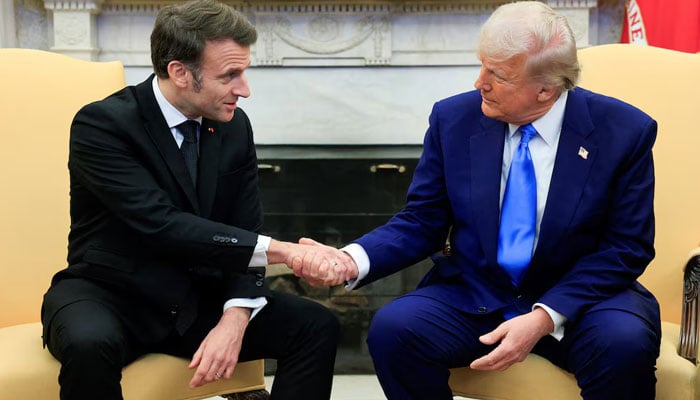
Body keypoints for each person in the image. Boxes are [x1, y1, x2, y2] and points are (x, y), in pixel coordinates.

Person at [293, 2, 662, 399]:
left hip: (582, 299)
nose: (478, 83)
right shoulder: (455, 119)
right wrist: (351, 259)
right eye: (482, 65)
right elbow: (422, 220)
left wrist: (543, 316)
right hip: (478, 293)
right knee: (394, 329)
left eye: (497, 74)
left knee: (624, 345)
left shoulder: (624, 131)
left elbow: (626, 247)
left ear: (546, 88)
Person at [40, 1, 344, 399]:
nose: (244, 89)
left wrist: (234, 319)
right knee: (88, 345)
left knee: (315, 325)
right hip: (110, 294)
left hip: (197, 300)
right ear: (180, 72)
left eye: (244, 72)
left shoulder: (233, 125)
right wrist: (282, 251)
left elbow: (243, 229)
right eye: (230, 75)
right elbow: (160, 223)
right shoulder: (103, 124)